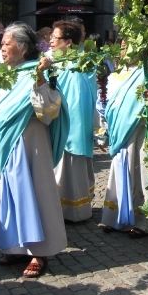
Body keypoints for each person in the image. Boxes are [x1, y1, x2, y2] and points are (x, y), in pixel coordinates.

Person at [0, 23, 68, 277]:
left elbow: (50, 111)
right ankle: (15, 246)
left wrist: (40, 82)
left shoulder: (36, 72)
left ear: (23, 47)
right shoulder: (4, 75)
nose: (3, 47)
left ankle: (40, 252)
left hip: (31, 145)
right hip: (7, 146)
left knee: (36, 195)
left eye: (7, 43)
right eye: (3, 42)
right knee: (11, 195)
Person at [99, 40, 148, 237]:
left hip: (143, 134)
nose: (124, 49)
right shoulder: (117, 75)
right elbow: (110, 105)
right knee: (120, 173)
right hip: (121, 135)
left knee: (145, 174)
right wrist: (107, 130)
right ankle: (115, 217)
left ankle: (145, 221)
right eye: (122, 45)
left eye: (129, 45)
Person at [50, 21, 96, 222]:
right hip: (58, 123)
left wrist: (69, 128)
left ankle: (75, 212)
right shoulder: (55, 63)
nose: (50, 41)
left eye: (55, 38)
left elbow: (78, 100)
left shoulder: (78, 65)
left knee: (70, 170)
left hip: (70, 126)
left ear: (68, 42)